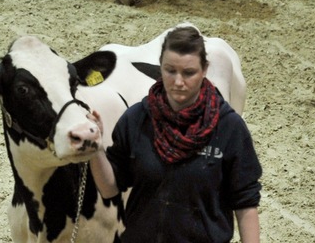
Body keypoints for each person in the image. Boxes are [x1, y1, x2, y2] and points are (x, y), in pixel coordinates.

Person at [89, 25, 261, 243]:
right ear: (160, 66)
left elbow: (245, 204)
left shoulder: (228, 127)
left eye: (189, 73)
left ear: (205, 69)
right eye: (170, 71)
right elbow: (110, 188)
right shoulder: (137, 118)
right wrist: (96, 150)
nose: (178, 82)